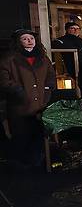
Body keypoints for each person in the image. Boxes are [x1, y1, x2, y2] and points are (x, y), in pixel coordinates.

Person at [0, 29, 55, 169]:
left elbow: (50, 75)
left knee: (38, 135)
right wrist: (18, 91)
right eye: (25, 38)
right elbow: (4, 80)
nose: (29, 40)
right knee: (22, 135)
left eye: (31, 38)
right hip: (20, 106)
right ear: (18, 41)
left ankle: (37, 160)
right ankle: (23, 166)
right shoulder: (9, 59)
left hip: (40, 104)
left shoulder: (42, 58)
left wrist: (48, 89)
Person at [52, 21, 82, 93]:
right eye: (73, 28)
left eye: (78, 28)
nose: (76, 30)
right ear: (67, 29)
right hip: (69, 68)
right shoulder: (60, 41)